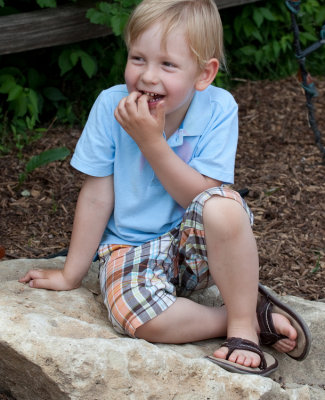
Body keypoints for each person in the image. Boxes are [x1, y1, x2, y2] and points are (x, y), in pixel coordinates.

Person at [19, 0, 310, 375]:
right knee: (137, 319)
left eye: (168, 64)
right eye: (138, 58)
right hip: (132, 246)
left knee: (223, 205)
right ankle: (240, 315)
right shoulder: (111, 106)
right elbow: (96, 196)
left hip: (199, 246)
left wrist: (151, 143)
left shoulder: (220, 108)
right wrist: (71, 274)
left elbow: (200, 197)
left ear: (203, 74)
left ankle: (242, 330)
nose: (147, 76)